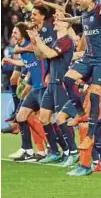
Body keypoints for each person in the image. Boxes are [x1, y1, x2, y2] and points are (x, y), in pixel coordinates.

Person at [59, 0, 101, 149]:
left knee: (94, 96)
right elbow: (79, 19)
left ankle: (90, 136)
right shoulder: (85, 13)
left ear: (90, 0)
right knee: (68, 79)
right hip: (88, 57)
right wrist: (65, 20)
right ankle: (80, 113)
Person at [28, 12, 77, 164]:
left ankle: (72, 152)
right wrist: (35, 42)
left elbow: (49, 54)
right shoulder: (57, 41)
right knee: (43, 118)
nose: (55, 21)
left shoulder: (66, 41)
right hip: (52, 84)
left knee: (62, 119)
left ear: (66, 24)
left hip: (61, 84)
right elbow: (40, 56)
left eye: (58, 20)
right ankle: (55, 152)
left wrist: (38, 39)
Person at [2, 22, 49, 162]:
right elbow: (26, 64)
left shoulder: (32, 44)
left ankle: (61, 150)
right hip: (35, 87)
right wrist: (11, 60)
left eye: (15, 32)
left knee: (49, 120)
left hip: (44, 87)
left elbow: (40, 54)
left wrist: (19, 50)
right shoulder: (23, 48)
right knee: (21, 116)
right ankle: (27, 150)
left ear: (22, 33)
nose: (12, 35)